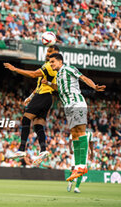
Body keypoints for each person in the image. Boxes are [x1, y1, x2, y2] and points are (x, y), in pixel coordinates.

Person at [43, 53, 105, 181]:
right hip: (68, 107)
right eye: (50, 62)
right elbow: (59, 88)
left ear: (60, 62)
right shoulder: (58, 75)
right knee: (75, 134)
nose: (51, 64)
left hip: (77, 103)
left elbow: (83, 78)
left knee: (81, 132)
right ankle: (77, 166)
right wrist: (48, 83)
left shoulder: (69, 69)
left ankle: (83, 165)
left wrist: (94, 86)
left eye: (53, 62)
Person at [3, 45, 60, 164]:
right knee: (38, 125)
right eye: (47, 51)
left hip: (42, 96)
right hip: (47, 98)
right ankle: (43, 149)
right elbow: (42, 84)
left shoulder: (48, 66)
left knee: (25, 119)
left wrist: (15, 69)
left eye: (50, 51)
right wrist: (30, 96)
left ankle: (22, 149)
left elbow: (33, 74)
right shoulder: (52, 68)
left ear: (56, 54)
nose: (47, 53)